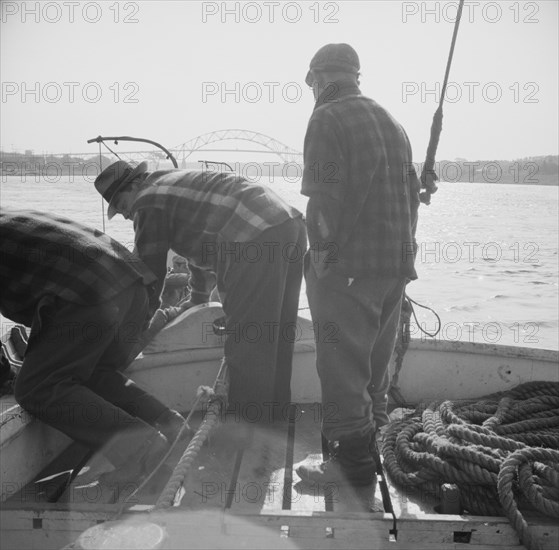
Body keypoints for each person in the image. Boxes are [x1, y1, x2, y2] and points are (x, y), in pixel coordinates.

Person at [94, 162, 307, 422]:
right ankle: (275, 419)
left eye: (124, 206)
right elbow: (199, 246)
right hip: (289, 224)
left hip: (252, 234)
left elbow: (148, 276)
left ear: (135, 185)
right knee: (276, 333)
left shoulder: (147, 201)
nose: (128, 216)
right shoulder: (170, 184)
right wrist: (196, 299)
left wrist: (134, 328)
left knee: (246, 340)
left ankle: (246, 430)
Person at [296, 43, 421, 486]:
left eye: (309, 82)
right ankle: (375, 441)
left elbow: (324, 202)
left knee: (342, 364)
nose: (310, 90)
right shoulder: (392, 121)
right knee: (373, 361)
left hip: (350, 268)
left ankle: (352, 466)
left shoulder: (327, 117)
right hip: (395, 266)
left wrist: (325, 263)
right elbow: (412, 195)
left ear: (318, 76)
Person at [0, 209, 187, 485]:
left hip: (87, 291)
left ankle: (143, 450)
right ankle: (169, 423)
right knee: (94, 371)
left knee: (38, 386)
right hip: (131, 283)